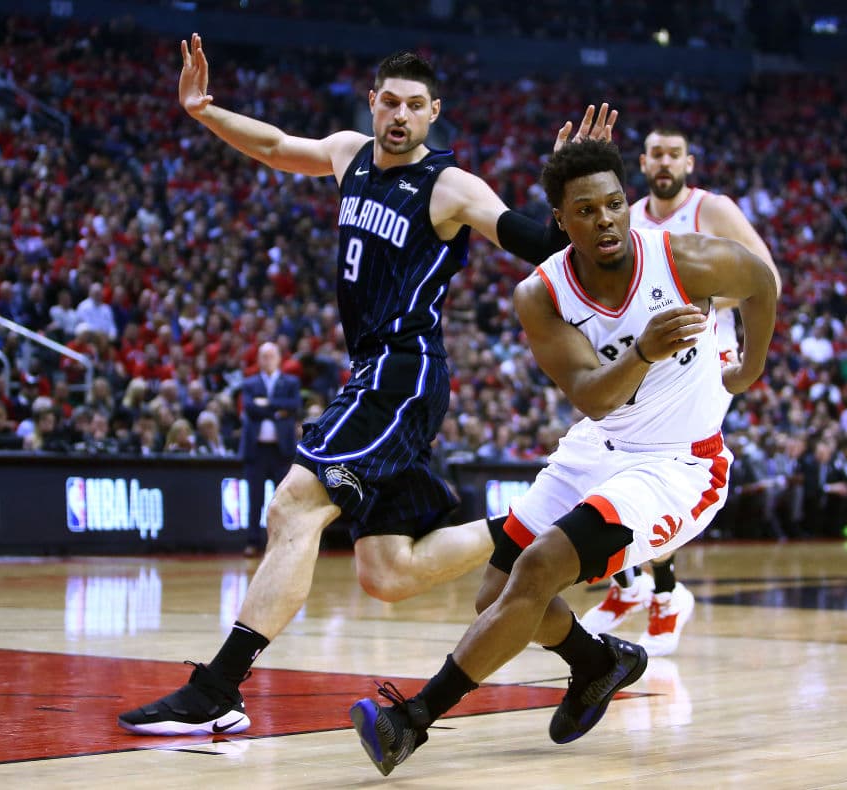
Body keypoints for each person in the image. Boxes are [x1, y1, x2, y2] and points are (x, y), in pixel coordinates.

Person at [118, 34, 612, 737]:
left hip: (401, 374)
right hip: (375, 374)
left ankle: (218, 688)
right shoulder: (350, 153)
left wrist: (576, 187)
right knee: (387, 571)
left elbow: (538, 243)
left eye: (416, 105)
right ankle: (535, 543)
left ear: (434, 112)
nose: (401, 115)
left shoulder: (451, 186)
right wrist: (204, 110)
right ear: (373, 105)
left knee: (296, 505)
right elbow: (276, 145)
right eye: (390, 102)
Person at [350, 139, 777, 776]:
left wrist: (748, 368)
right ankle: (597, 662)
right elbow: (593, 397)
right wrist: (645, 352)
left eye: (613, 204)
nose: (605, 219)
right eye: (586, 209)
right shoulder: (540, 294)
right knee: (493, 593)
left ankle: (412, 719)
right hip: (599, 442)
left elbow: (761, 281)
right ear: (561, 221)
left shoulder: (685, 260)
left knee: (540, 568)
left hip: (679, 467)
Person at [580, 127, 781, 656]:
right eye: (656, 155)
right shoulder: (626, 215)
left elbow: (766, 277)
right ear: (642, 162)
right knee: (606, 462)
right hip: (637, 361)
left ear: (689, 163)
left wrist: (723, 322)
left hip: (701, 367)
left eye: (675, 155)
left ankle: (665, 595)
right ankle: (630, 586)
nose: (665, 163)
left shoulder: (711, 210)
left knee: (655, 472)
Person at [239, 342, 302, 556]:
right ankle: (253, 542)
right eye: (263, 356)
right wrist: (278, 410)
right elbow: (250, 408)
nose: (267, 360)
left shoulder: (291, 382)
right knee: (254, 500)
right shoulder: (249, 383)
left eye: (271, 356)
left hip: (281, 451)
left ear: (279, 358)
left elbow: (294, 406)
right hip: (256, 451)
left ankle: (283, 541)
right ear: (258, 360)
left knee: (283, 499)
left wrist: (266, 405)